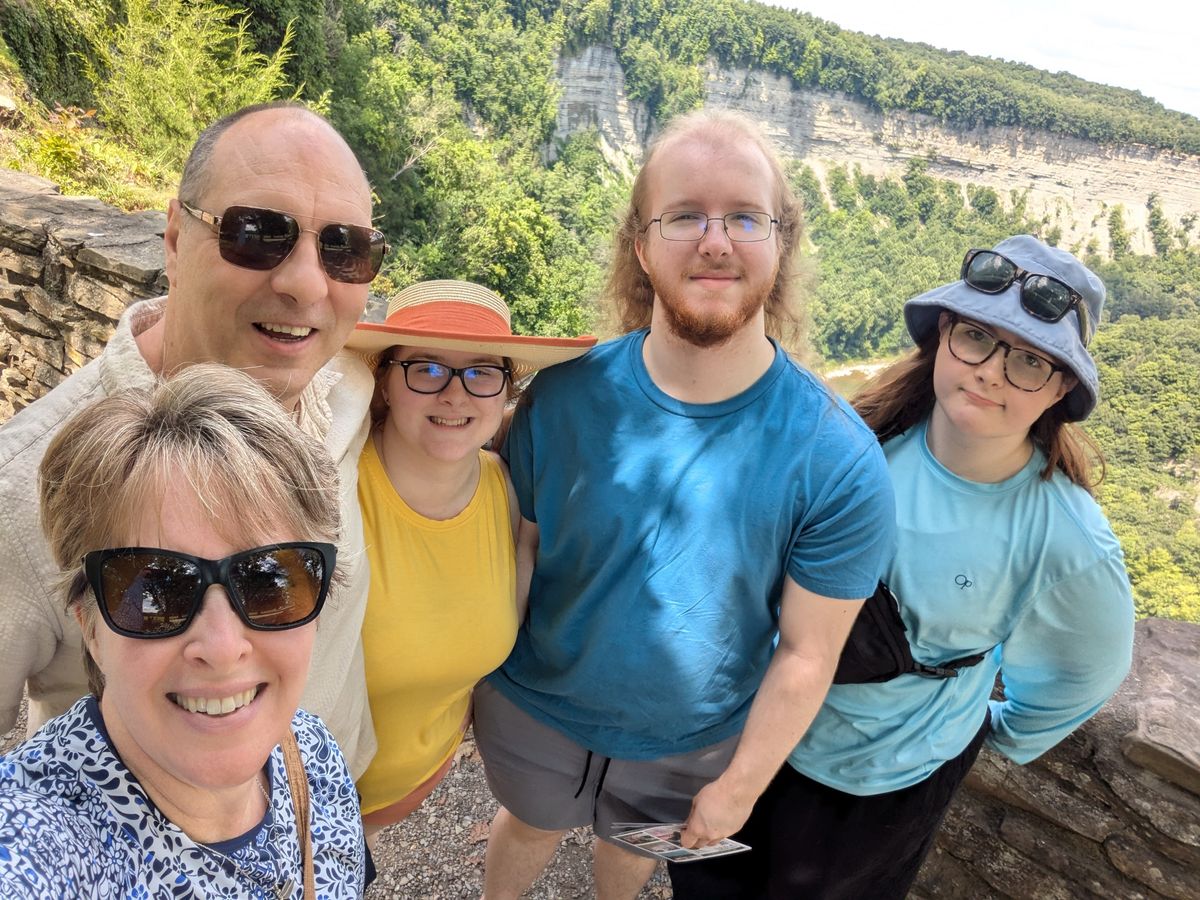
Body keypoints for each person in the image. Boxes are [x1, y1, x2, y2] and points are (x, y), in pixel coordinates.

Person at [473, 108, 897, 900]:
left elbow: (810, 652)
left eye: (744, 215)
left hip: (692, 739)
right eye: (685, 216)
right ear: (640, 243)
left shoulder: (838, 461)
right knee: (528, 822)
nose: (715, 240)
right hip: (531, 706)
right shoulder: (561, 399)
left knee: (632, 851)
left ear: (782, 240)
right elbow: (521, 550)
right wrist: (471, 681)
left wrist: (740, 785)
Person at [668, 235, 1136, 899]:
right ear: (944, 335)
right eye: (977, 337)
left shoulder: (1065, 539)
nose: (992, 372)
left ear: (1060, 386)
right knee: (708, 882)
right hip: (754, 728)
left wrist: (1002, 732)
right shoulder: (856, 435)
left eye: (1030, 360)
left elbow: (1086, 672)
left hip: (880, 781)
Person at [0, 101, 385, 777]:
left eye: (344, 249)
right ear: (175, 238)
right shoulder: (22, 492)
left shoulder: (347, 391)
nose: (304, 284)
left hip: (323, 820)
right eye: (258, 234)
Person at [0, 365, 366, 896]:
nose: (221, 648)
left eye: (267, 581)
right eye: (156, 591)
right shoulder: (36, 846)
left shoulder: (313, 756)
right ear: (90, 627)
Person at [343, 280, 594, 841]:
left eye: (482, 371)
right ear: (384, 378)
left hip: (405, 790)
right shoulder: (330, 490)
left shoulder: (508, 497)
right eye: (426, 368)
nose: (455, 395)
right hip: (292, 807)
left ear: (507, 388)